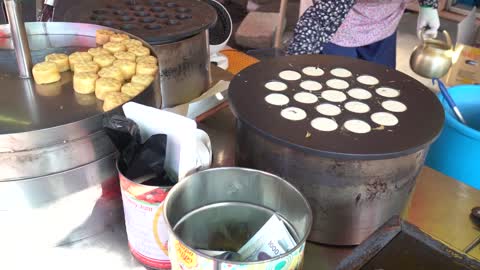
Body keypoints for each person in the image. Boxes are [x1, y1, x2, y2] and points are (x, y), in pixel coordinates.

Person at [287, 0, 441, 69]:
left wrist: (429, 6)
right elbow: (317, 23)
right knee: (337, 83)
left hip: (385, 24)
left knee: (381, 81)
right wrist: (293, 67)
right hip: (338, 25)